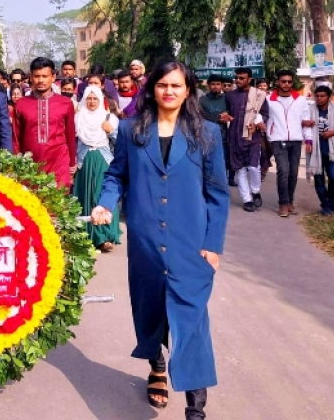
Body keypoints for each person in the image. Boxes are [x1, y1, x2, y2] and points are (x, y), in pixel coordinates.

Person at [91, 61, 229, 420]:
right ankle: (156, 366)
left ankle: (195, 409)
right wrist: (106, 204)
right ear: (152, 89)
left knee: (191, 322)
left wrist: (212, 246)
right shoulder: (131, 130)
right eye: (163, 85)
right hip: (147, 241)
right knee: (150, 310)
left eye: (177, 86)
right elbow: (116, 175)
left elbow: (217, 194)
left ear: (188, 91)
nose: (169, 91)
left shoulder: (208, 134)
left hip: (191, 245)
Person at [14, 57, 77, 188]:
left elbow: (70, 135)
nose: (41, 80)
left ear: (53, 77)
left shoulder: (65, 103)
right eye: (37, 76)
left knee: (58, 205)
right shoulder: (21, 104)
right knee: (31, 206)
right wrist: (16, 164)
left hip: (59, 165)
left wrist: (72, 164)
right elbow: (16, 138)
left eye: (45, 76)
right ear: (31, 77)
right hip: (30, 167)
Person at [72, 85, 121, 252]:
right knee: (85, 196)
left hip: (103, 161)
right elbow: (72, 142)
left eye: (95, 99)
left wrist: (111, 131)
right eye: (89, 99)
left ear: (101, 100)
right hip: (84, 163)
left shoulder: (109, 118)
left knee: (102, 196)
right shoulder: (78, 118)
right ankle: (86, 236)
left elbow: (120, 141)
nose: (92, 102)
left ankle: (105, 236)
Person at [266, 70, 312, 217]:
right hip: (278, 140)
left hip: (296, 141)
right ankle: (283, 204)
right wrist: (261, 124)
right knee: (283, 172)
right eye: (283, 81)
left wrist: (308, 139)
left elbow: (306, 121)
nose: (286, 84)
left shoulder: (300, 100)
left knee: (293, 173)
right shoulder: (269, 100)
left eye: (289, 82)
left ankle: (290, 201)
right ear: (278, 82)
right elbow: (260, 115)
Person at [225, 67, 269, 212]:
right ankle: (247, 199)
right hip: (235, 135)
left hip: (253, 136)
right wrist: (225, 116)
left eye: (242, 78)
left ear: (249, 79)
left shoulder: (259, 95)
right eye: (237, 78)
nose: (238, 81)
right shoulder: (230, 96)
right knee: (240, 169)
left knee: (253, 167)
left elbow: (265, 113)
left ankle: (255, 190)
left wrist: (258, 124)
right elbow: (226, 112)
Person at [306, 85, 334, 216]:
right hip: (315, 150)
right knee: (319, 180)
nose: (319, 98)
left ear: (328, 97)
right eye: (317, 96)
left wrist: (332, 132)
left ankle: (332, 200)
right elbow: (302, 126)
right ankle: (325, 204)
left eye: (322, 96)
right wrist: (305, 124)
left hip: (332, 151)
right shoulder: (309, 111)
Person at [199, 75, 235, 186]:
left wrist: (228, 116)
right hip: (206, 137)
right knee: (206, 164)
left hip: (223, 137)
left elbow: (233, 113)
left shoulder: (227, 99)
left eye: (218, 84)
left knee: (223, 163)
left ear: (221, 86)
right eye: (213, 84)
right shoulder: (202, 100)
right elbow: (200, 115)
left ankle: (221, 186)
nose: (215, 87)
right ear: (209, 86)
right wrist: (218, 117)